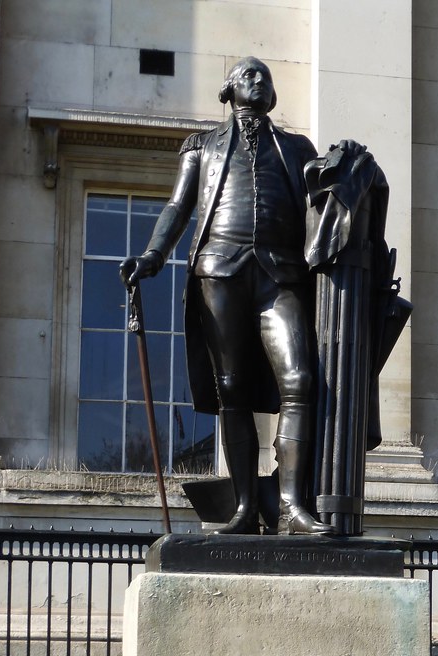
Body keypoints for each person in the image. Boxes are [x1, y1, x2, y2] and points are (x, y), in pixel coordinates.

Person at [121, 56, 331, 536]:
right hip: (219, 269)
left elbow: (325, 205)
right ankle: (242, 509)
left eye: (265, 76)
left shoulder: (298, 149)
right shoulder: (202, 145)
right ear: (229, 89)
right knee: (231, 388)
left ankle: (291, 507)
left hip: (280, 274)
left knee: (300, 379)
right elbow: (179, 204)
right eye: (248, 74)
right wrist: (153, 256)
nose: (259, 80)